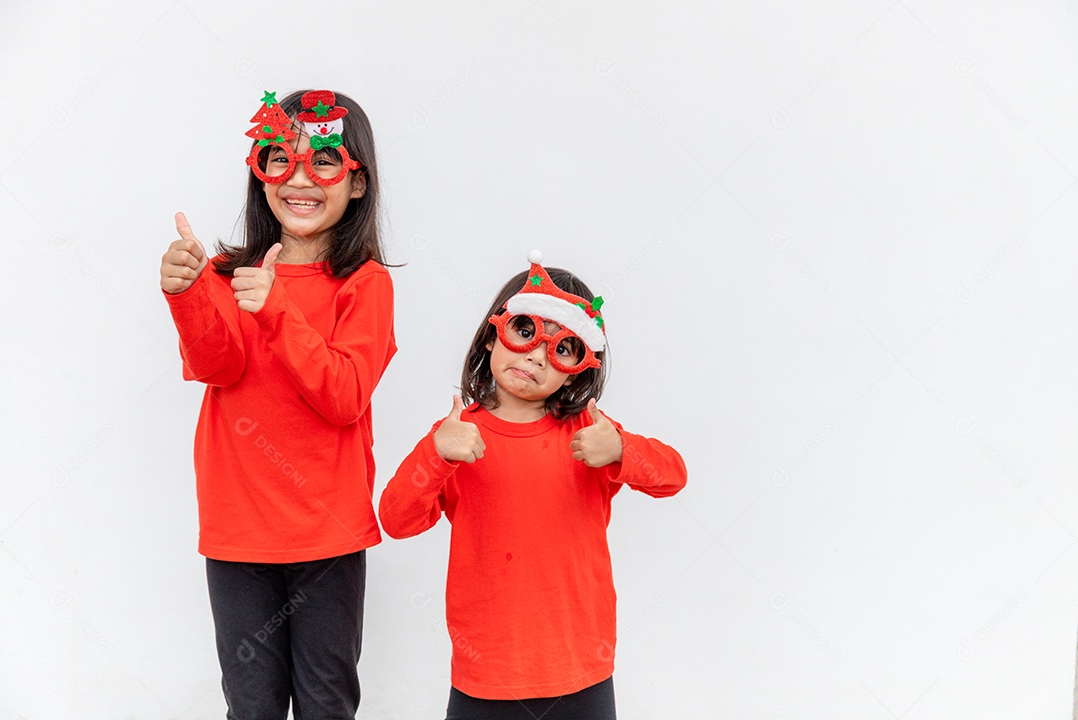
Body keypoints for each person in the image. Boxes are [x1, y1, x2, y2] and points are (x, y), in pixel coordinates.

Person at [159, 88, 395, 719]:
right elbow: (217, 366)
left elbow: (343, 395)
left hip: (327, 534)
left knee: (327, 702)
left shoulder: (365, 282)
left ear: (358, 181)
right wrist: (186, 293)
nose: (300, 180)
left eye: (323, 162)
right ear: (258, 171)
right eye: (278, 159)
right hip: (238, 530)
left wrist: (278, 310)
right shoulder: (223, 272)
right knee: (251, 705)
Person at [379, 252, 687, 720]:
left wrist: (623, 449)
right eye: (524, 331)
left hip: (580, 669)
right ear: (491, 336)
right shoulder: (457, 436)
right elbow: (396, 519)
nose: (537, 356)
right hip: (484, 674)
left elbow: (673, 476)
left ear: (578, 369)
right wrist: (435, 455)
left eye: (563, 348)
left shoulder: (589, 433)